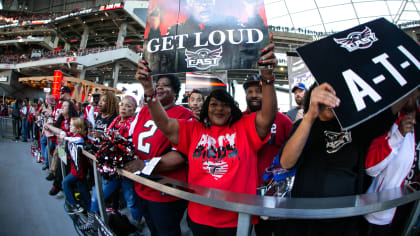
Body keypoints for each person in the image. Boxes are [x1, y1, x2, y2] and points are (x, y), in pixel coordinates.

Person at [130, 39, 277, 234]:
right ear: (206, 110)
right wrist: (149, 90)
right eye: (214, 104)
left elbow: (268, 116)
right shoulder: (194, 130)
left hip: (236, 219)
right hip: (199, 216)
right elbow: (164, 124)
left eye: (224, 104)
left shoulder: (245, 127)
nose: (219, 109)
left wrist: (267, 79)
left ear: (232, 110)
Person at [278, 83, 416, 236]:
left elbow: (388, 112)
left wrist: (411, 83)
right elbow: (286, 162)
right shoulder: (304, 126)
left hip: (345, 222)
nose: (330, 101)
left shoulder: (354, 126)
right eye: (325, 96)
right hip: (306, 221)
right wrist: (310, 116)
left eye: (334, 96)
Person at [124, 74, 195, 236]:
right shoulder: (143, 112)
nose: (159, 87)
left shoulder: (184, 115)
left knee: (167, 231)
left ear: (175, 93)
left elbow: (181, 156)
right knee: (153, 228)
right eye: (158, 85)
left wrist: (146, 164)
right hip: (141, 185)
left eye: (165, 85)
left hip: (165, 190)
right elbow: (131, 141)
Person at [147, 0, 268, 73]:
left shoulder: (232, 23)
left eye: (208, 0)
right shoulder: (176, 30)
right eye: (199, 1)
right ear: (190, 3)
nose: (204, 4)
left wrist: (253, 14)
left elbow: (254, 46)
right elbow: (160, 60)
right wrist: (154, 29)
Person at [80, 96, 143, 231]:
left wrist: (105, 138)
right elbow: (109, 139)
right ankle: (92, 221)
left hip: (126, 169)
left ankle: (137, 223)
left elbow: (128, 145)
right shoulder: (115, 120)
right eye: (122, 105)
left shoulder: (135, 124)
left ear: (134, 110)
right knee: (97, 194)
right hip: (111, 169)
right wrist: (102, 138)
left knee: (131, 200)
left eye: (128, 106)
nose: (124, 108)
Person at [242, 74, 292, 236]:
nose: (254, 95)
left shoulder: (283, 121)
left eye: (259, 90)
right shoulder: (238, 120)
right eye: (250, 91)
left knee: (271, 231)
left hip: (274, 192)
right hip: (244, 191)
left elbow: (294, 152)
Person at [364, 89, 419, 236]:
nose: (410, 95)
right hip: (381, 214)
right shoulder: (389, 122)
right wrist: (398, 136)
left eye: (415, 90)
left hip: (410, 211)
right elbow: (371, 168)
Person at [45, 117, 91, 214]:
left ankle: (74, 205)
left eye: (72, 125)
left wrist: (64, 137)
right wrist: (62, 134)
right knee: (82, 188)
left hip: (78, 170)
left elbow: (77, 140)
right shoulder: (71, 135)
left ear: (78, 129)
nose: (69, 126)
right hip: (75, 168)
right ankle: (89, 208)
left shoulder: (79, 138)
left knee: (65, 183)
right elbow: (64, 137)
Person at [46, 100, 79, 196]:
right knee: (61, 163)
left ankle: (57, 184)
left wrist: (52, 128)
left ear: (70, 109)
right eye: (62, 106)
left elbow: (62, 132)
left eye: (65, 106)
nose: (62, 108)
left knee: (63, 165)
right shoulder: (61, 119)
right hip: (61, 144)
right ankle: (55, 179)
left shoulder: (72, 120)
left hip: (70, 147)